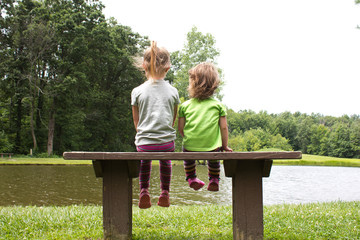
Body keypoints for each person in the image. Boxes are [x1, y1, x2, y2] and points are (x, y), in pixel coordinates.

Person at [131, 41, 180, 208]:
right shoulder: (173, 91)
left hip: (144, 144)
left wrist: (144, 134)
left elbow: (136, 122)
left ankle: (144, 190)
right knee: (165, 161)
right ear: (167, 68)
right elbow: (173, 119)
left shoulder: (137, 91)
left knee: (144, 162)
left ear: (144, 66)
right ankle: (165, 192)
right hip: (166, 143)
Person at [178, 62, 232, 192]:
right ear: (214, 85)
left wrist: (190, 138)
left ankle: (191, 178)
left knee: (187, 154)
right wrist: (224, 146)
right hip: (212, 147)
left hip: (190, 146)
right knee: (215, 157)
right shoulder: (218, 106)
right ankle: (214, 179)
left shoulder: (185, 106)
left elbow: (180, 128)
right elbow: (224, 128)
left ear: (192, 83)